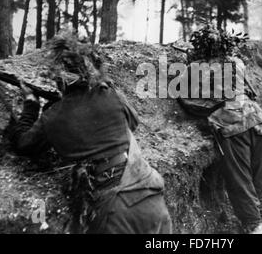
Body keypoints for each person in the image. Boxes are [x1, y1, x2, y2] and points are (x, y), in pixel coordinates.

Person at [9, 31, 172, 234]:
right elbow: (133, 121)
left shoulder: (54, 116)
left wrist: (31, 106)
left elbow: (24, 143)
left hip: (117, 207)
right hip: (151, 192)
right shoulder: (109, 93)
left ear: (59, 77)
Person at [178, 26, 262, 233]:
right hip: (259, 122)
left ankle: (255, 226)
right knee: (257, 183)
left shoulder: (197, 68)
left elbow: (189, 102)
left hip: (234, 126)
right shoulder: (237, 63)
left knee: (241, 183)